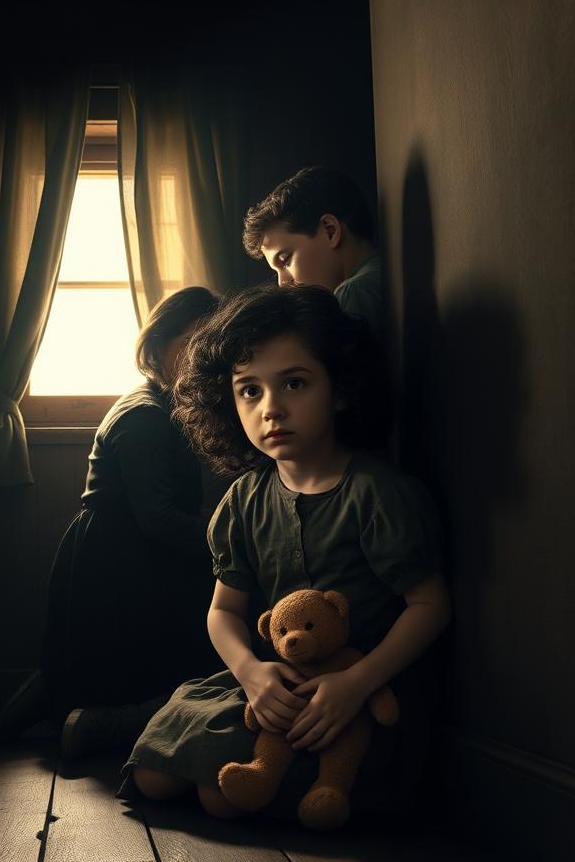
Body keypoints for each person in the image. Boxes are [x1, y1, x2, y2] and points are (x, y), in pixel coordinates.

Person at [120, 284, 450, 822]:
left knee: (215, 795)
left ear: (339, 389)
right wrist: (250, 670)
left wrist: (355, 683)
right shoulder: (246, 498)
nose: (271, 408)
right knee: (153, 775)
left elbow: (430, 606)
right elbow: (224, 610)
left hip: (355, 696)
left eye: (294, 383)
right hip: (275, 683)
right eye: (249, 390)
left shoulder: (376, 493)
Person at [0, 286, 222, 754]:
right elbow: (158, 518)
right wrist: (228, 538)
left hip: (118, 546)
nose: (201, 356)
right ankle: (91, 717)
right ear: (159, 345)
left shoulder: (161, 404)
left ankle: (49, 697)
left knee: (91, 662)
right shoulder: (146, 417)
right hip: (122, 556)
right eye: (191, 342)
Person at [243, 167, 384, 340]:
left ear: (330, 230)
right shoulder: (381, 273)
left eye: (285, 260)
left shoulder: (353, 293)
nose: (282, 284)